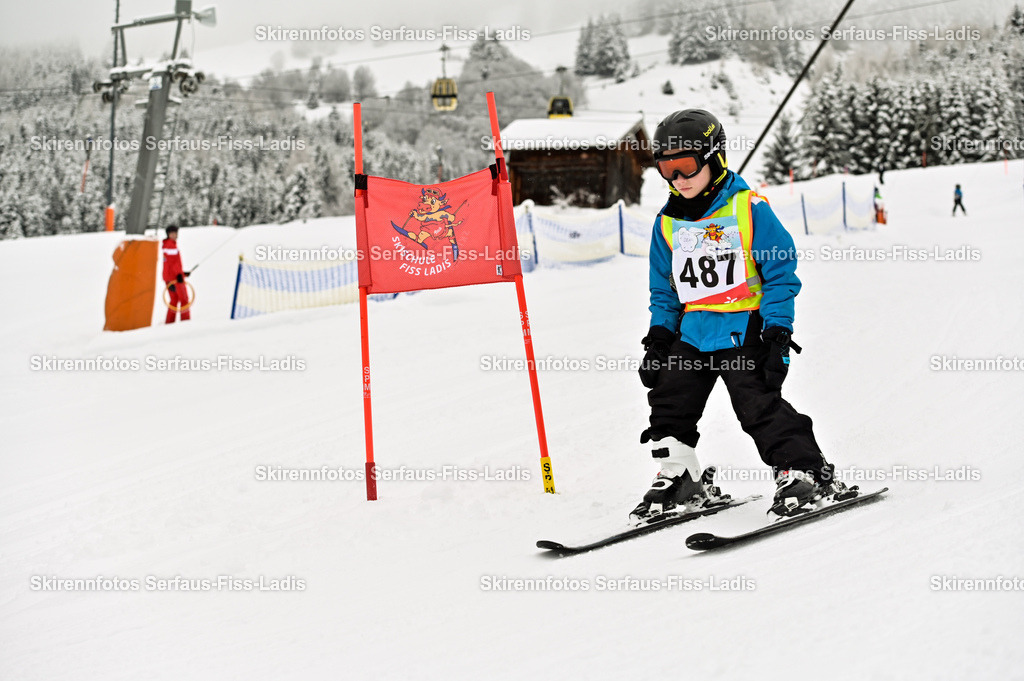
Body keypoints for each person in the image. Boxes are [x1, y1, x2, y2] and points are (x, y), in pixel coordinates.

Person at [630, 109, 852, 525]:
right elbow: (664, 289)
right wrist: (659, 337)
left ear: (714, 160)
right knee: (668, 401)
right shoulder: (667, 223)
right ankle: (681, 475)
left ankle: (804, 471)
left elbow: (780, 276)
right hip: (692, 331)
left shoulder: (749, 209)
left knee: (757, 405)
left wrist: (778, 331)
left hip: (744, 328)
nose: (677, 179)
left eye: (686, 167)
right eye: (666, 169)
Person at [162, 225, 191, 323]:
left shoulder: (166, 244)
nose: (174, 235)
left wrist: (182, 273)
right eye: (172, 233)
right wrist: (179, 275)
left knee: (174, 300)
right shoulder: (171, 245)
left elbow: (171, 264)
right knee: (184, 299)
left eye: (175, 233)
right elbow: (173, 263)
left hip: (169, 277)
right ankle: (185, 321)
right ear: (168, 234)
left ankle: (169, 322)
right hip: (174, 278)